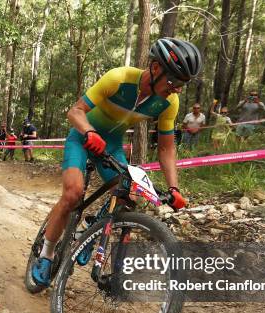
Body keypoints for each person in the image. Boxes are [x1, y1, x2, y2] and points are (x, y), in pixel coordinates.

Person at [30, 37, 200, 287]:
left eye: (182, 84)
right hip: (82, 135)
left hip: (111, 144)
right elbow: (74, 112)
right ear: (155, 68)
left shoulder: (169, 102)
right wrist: (89, 132)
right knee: (73, 194)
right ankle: (46, 254)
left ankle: (90, 230)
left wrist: (174, 188)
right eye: (174, 81)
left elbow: (166, 148)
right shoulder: (118, 78)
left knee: (126, 198)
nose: (177, 89)